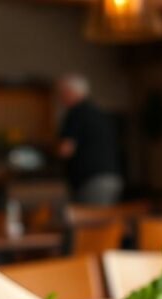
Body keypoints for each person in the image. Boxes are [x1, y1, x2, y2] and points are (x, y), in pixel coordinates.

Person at [56, 74, 122, 205]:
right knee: (103, 222)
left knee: (90, 223)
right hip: (113, 178)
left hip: (91, 181)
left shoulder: (76, 113)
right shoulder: (100, 112)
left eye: (62, 93)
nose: (60, 98)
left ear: (70, 92)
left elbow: (65, 149)